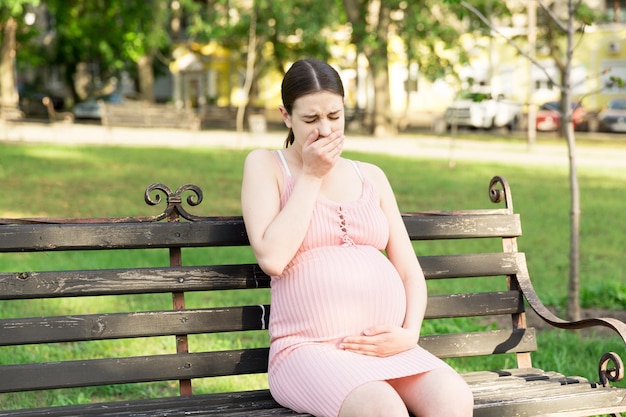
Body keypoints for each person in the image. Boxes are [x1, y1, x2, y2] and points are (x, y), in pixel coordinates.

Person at [241, 58, 473, 417]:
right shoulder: (266, 165)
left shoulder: (371, 176)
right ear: (286, 116)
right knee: (383, 410)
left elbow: (410, 272)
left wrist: (410, 332)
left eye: (334, 116)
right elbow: (272, 258)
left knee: (454, 398)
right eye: (310, 119)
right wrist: (312, 175)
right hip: (307, 350)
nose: (325, 129)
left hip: (385, 348)